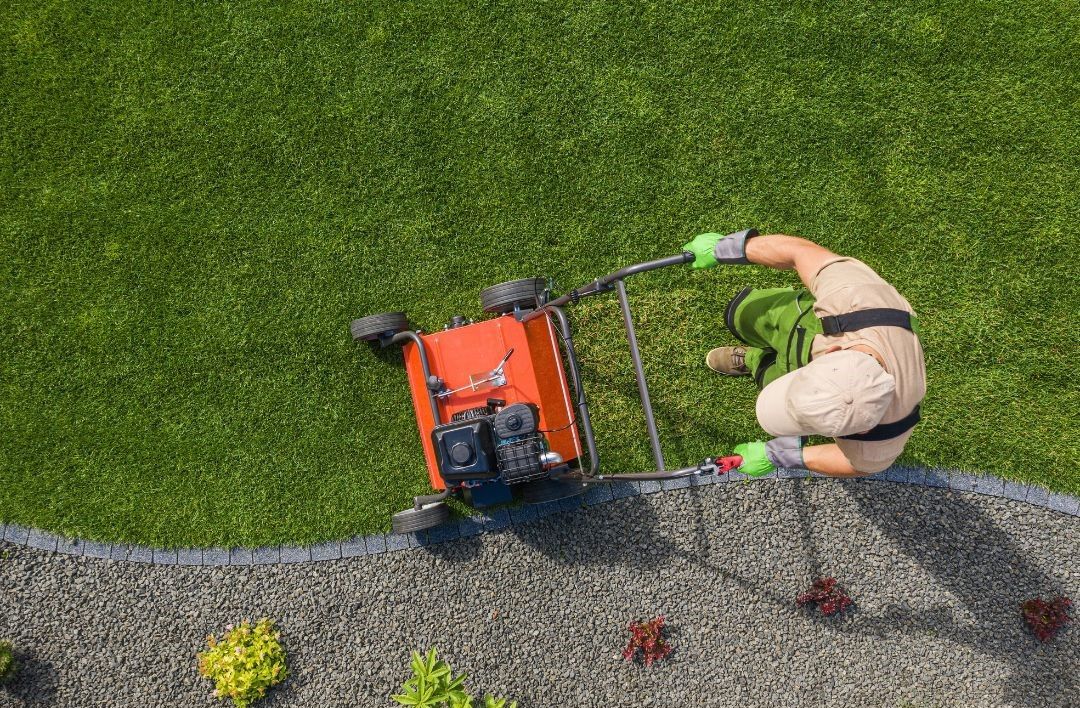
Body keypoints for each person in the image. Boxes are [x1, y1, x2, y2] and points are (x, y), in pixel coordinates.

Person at [681, 229, 926, 478]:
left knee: (768, 375)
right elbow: (800, 252)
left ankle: (754, 360)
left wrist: (777, 455)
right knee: (741, 315)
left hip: (820, 345)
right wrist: (727, 248)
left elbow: (855, 465)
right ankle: (756, 332)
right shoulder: (857, 297)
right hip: (812, 325)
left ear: (863, 430)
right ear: (833, 350)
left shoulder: (882, 439)